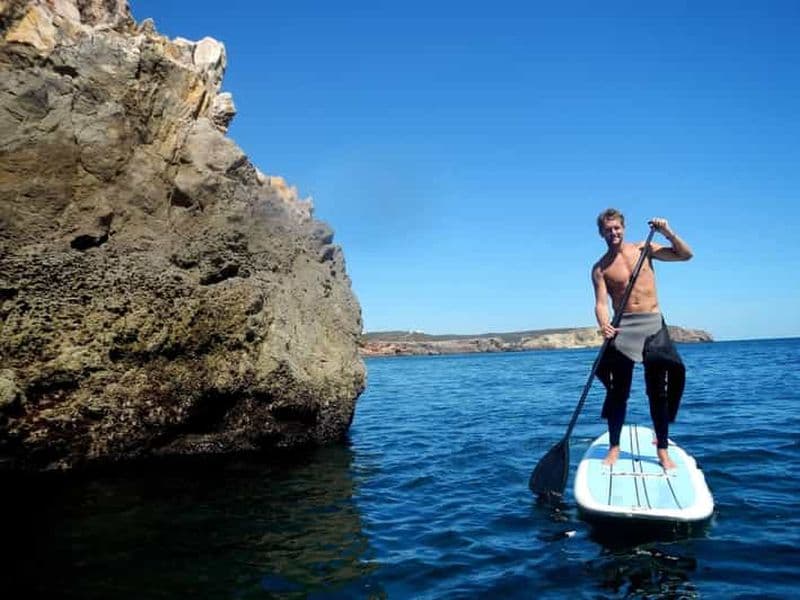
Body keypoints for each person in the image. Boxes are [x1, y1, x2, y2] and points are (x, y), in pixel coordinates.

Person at [591, 208, 693, 470]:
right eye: (608, 229)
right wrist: (604, 324)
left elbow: (685, 255)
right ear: (601, 232)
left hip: (652, 326)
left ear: (623, 228)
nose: (613, 233)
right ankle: (614, 447)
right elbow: (601, 303)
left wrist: (667, 231)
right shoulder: (600, 268)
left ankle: (662, 450)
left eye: (617, 228)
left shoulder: (644, 249)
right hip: (623, 328)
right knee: (618, 393)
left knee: (657, 392)